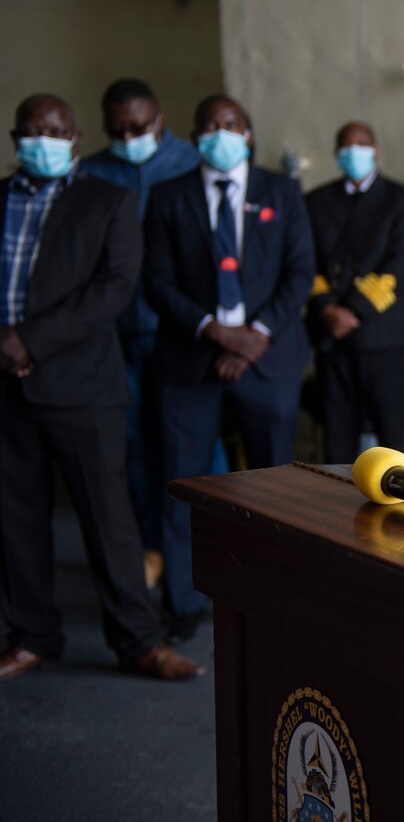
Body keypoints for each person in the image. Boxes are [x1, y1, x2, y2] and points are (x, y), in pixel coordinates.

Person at [0, 93, 204, 681]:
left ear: (75, 137)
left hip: (82, 386)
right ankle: (31, 635)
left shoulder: (107, 201)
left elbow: (114, 289)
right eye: (30, 131)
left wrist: (30, 341)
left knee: (109, 521)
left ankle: (139, 641)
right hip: (8, 389)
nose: (42, 140)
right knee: (17, 520)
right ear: (15, 138)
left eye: (54, 130)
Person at [143, 94, 314, 642]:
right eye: (210, 125)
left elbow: (299, 270)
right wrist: (215, 332)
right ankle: (183, 606)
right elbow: (156, 281)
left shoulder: (281, 191)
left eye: (231, 124)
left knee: (275, 490)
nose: (221, 132)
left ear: (248, 132)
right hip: (191, 360)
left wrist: (253, 338)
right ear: (194, 136)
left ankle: (278, 597)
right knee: (184, 486)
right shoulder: (168, 195)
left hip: (268, 361)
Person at [78, 78, 219, 590]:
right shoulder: (91, 171)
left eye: (137, 127)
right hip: (118, 335)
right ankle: (152, 552)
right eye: (117, 130)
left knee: (202, 455)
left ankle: (209, 554)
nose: (128, 137)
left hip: (184, 334)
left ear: (158, 119)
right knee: (135, 449)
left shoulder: (190, 163)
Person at [305, 121, 404, 462]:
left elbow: (401, 264)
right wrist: (326, 308)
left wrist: (353, 310)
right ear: (336, 154)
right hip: (331, 335)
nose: (353, 152)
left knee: (391, 437)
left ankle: (398, 506)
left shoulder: (401, 200)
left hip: (380, 334)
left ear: (376, 151)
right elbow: (307, 262)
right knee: (337, 437)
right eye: (346, 146)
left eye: (361, 144)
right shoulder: (316, 201)